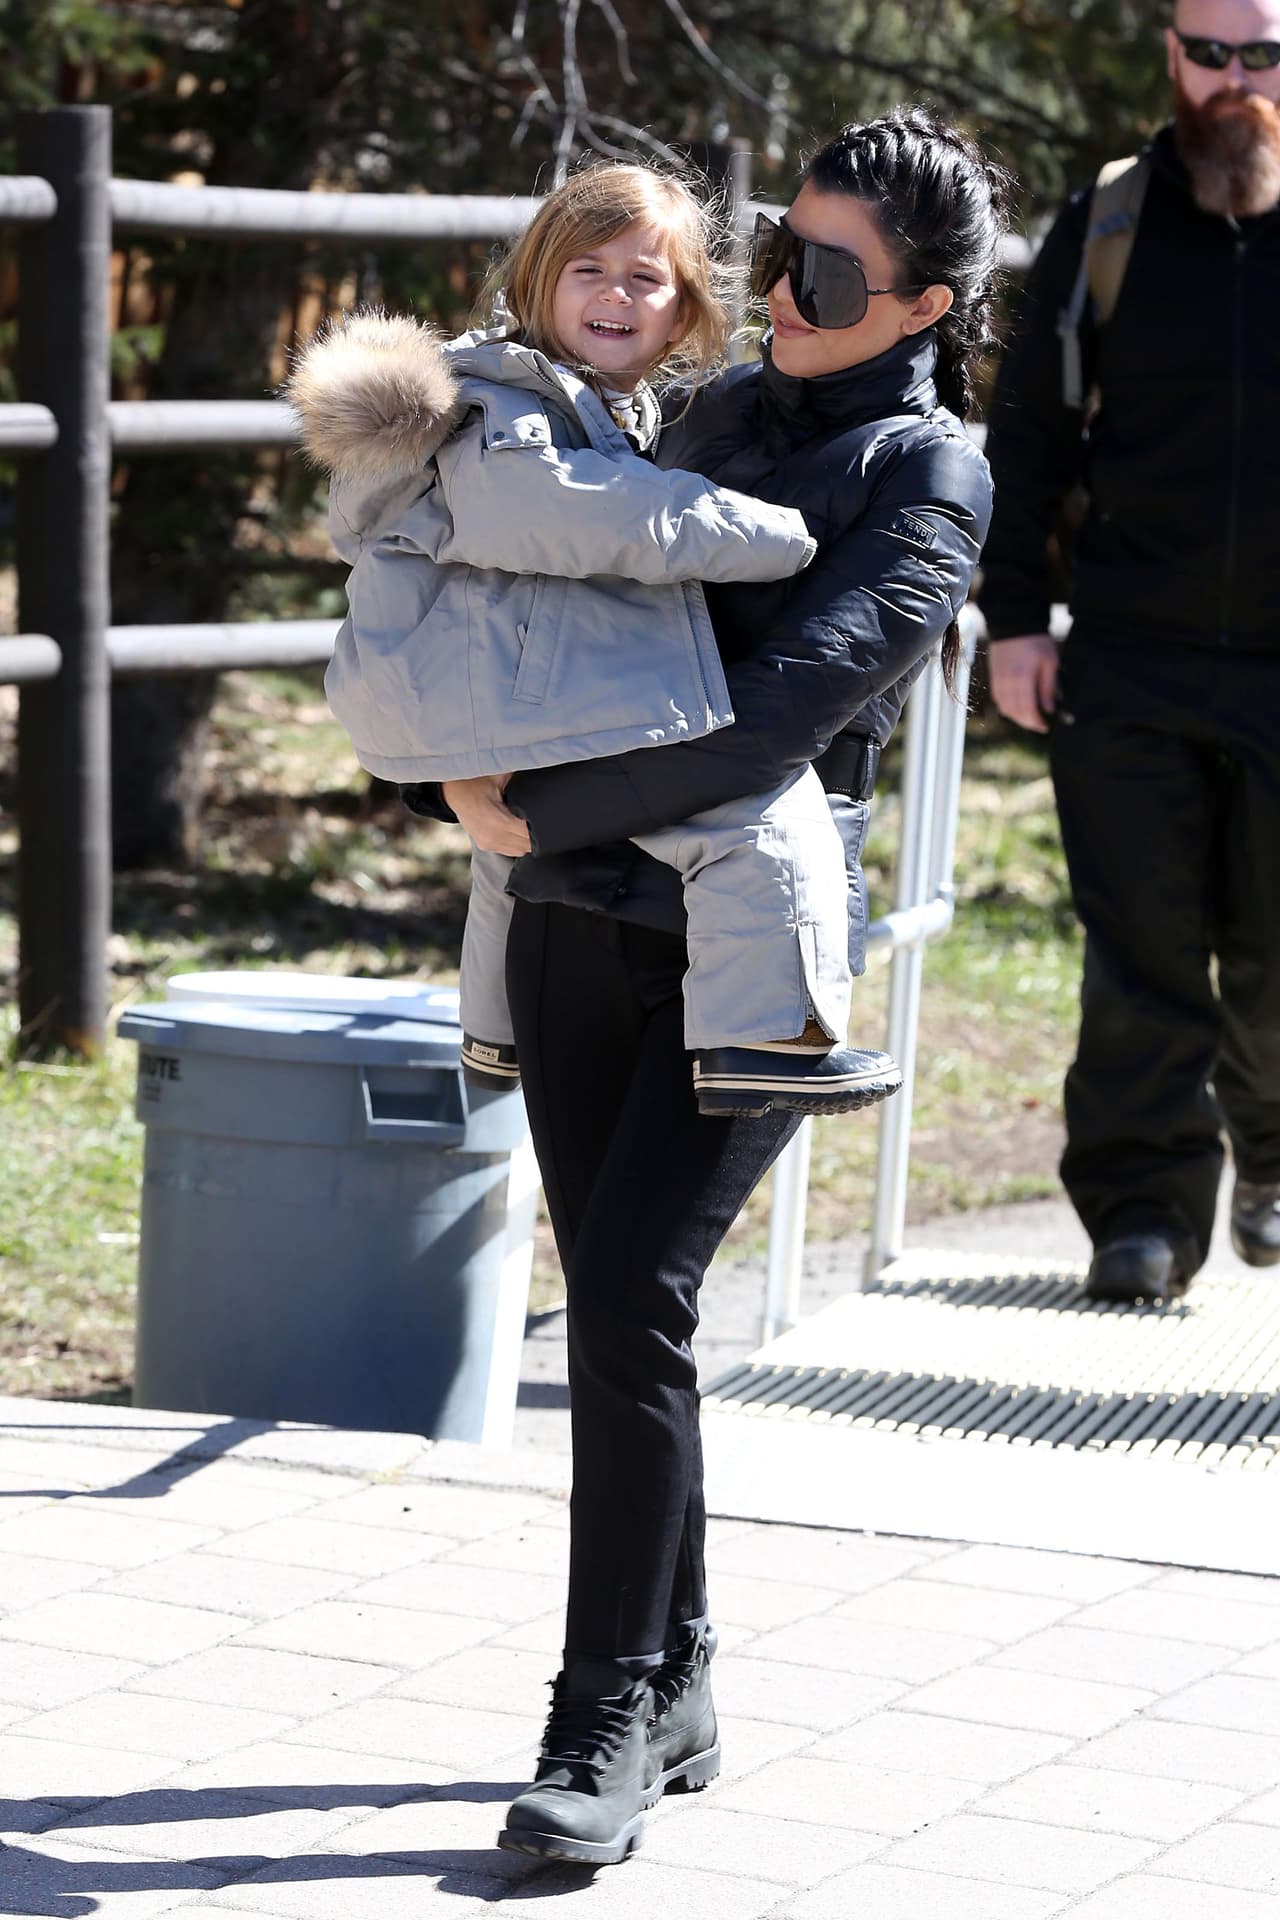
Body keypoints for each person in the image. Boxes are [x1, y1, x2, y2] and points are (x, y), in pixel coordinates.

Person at [431, 107, 1003, 1865]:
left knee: (626, 1301)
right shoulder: (697, 414)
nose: (777, 290)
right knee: (618, 1312)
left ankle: (597, 1707)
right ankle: (670, 1678)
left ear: (920, 307)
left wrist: (520, 803)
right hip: (573, 923)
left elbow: (772, 724)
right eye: (774, 250)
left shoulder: (930, 477)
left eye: (822, 271)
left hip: (740, 952)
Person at [288, 165, 900, 1120]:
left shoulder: (598, 404)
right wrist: (767, 535)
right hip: (486, 670)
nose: (615, 293)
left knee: (504, 848)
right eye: (587, 269)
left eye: (645, 278)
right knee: (761, 822)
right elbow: (578, 514)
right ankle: (769, 1038)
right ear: (536, 283)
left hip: (478, 674)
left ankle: (493, 1029)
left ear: (683, 313)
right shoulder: (506, 398)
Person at [980, 0, 1280, 1306]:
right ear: (1171, 56)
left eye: (1262, 53)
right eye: (1209, 53)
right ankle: (1144, 1217)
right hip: (1128, 654)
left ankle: (1275, 1165)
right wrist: (1010, 624)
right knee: (1140, 947)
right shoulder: (1106, 223)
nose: (1234, 81)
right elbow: (1029, 436)